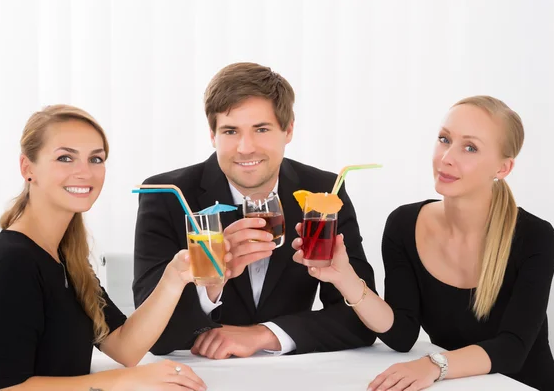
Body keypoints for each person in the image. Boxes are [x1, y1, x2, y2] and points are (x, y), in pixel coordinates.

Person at [291, 96, 554, 391]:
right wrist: (345, 279)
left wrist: (433, 365)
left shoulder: (535, 237)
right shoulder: (405, 224)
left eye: (470, 147)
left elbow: (512, 348)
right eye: (445, 139)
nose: (447, 157)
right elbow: (402, 332)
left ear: (503, 168)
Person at [133, 62, 377, 359]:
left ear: (288, 130)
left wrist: (266, 334)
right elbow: (152, 338)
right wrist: (212, 283)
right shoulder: (166, 195)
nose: (245, 148)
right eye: (231, 131)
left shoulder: (324, 191)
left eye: (261, 129)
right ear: (213, 135)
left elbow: (361, 319)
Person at [0, 105, 211, 391]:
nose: (85, 172)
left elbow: (124, 346)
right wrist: (127, 381)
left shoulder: (65, 256)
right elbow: (9, 388)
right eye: (65, 158)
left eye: (96, 159)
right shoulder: (14, 262)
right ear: (27, 168)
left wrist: (174, 278)